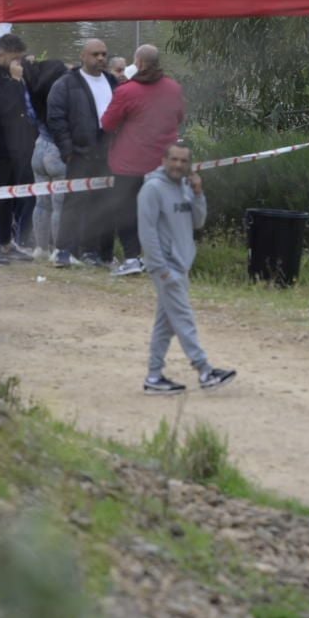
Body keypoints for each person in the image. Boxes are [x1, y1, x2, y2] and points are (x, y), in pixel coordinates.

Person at [138, 141, 236, 395]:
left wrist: (198, 193)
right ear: (164, 160)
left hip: (182, 265)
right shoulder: (152, 189)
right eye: (174, 160)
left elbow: (198, 221)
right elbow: (147, 233)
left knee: (166, 325)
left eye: (183, 161)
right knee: (183, 319)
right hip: (167, 268)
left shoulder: (184, 187)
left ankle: (154, 376)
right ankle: (205, 370)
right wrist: (161, 269)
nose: (178, 165)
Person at [102, 44, 186, 277]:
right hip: (163, 163)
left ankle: (131, 259)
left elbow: (108, 123)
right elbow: (179, 117)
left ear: (137, 63)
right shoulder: (174, 88)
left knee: (127, 210)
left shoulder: (126, 91)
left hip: (130, 163)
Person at [47, 38, 118, 269]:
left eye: (104, 54)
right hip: (79, 153)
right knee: (74, 203)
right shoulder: (66, 84)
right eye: (95, 54)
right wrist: (67, 150)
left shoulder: (112, 81)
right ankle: (64, 251)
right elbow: (56, 119)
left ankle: (97, 253)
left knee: (105, 204)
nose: (101, 59)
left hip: (108, 153)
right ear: (83, 56)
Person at [0, 33, 38, 266]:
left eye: (19, 59)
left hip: (17, 145)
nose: (18, 63)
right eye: (14, 58)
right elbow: (2, 105)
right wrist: (13, 81)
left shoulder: (6, 73)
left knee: (9, 196)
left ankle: (6, 243)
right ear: (1, 54)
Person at [27, 56, 70, 258]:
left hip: (39, 147)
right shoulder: (61, 96)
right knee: (59, 204)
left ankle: (40, 248)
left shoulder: (36, 94)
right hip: (56, 151)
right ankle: (58, 250)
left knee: (42, 202)